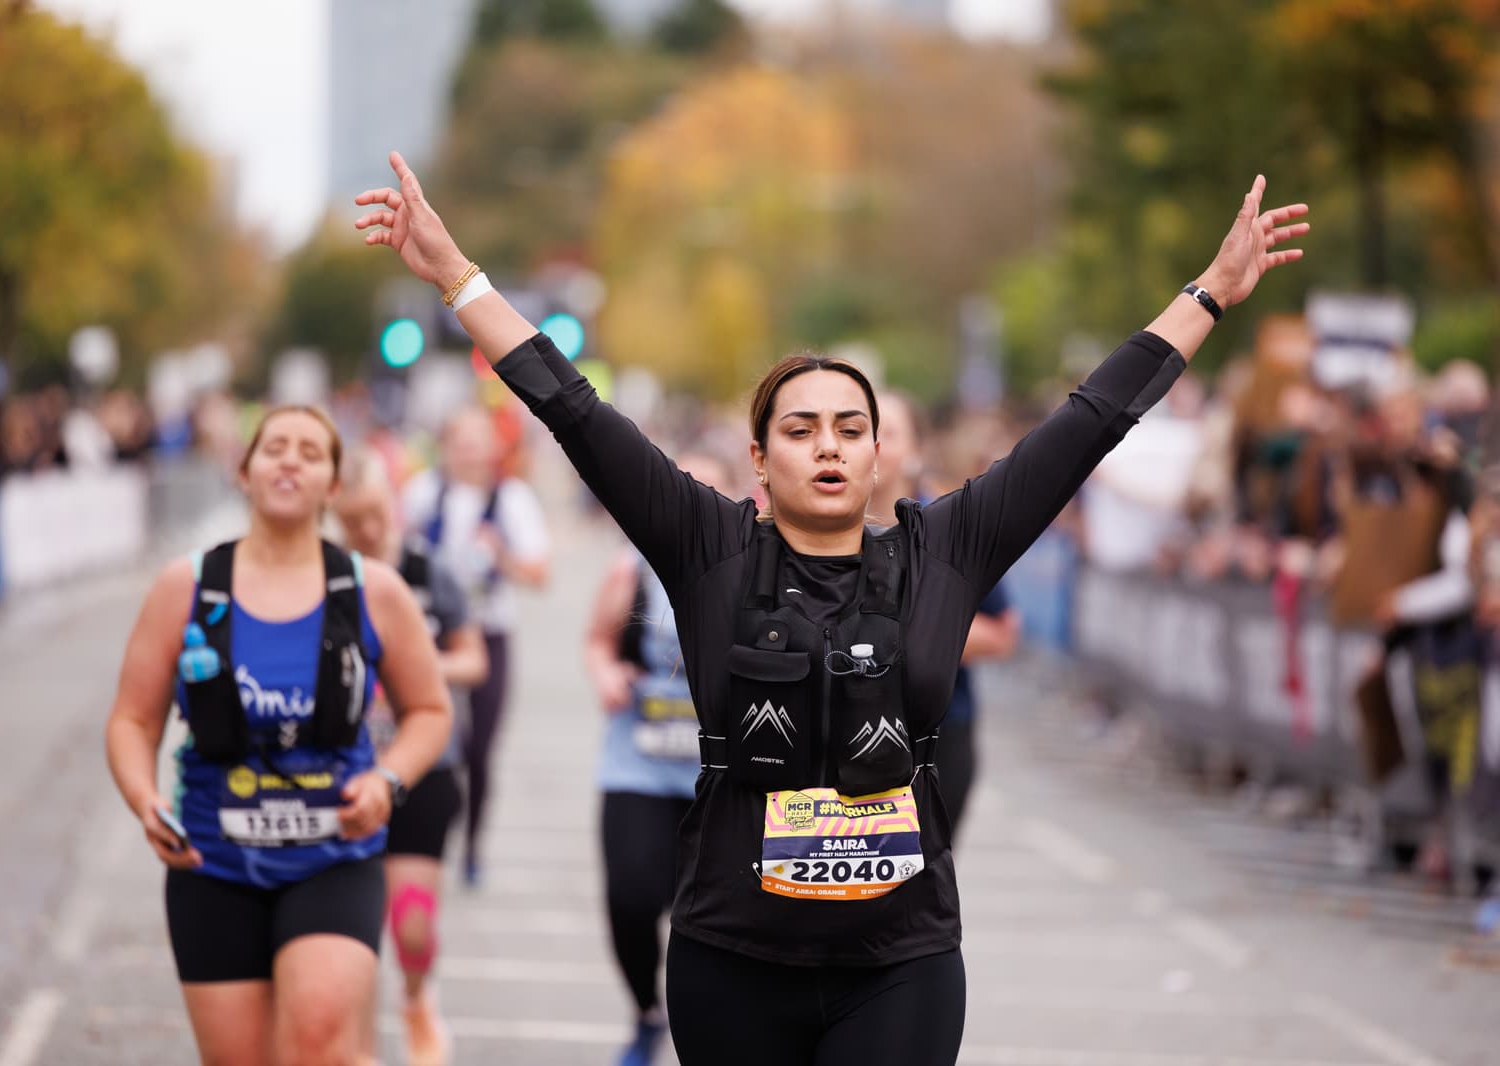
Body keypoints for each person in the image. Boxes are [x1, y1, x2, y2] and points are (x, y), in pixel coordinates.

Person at [357, 150, 1306, 1065]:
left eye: (852, 429)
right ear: (761, 460)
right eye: (801, 429)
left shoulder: (949, 550)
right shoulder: (708, 548)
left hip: (901, 961)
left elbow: (1090, 422)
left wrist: (1208, 296)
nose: (829, 446)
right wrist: (453, 274)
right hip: (732, 955)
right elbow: (573, 409)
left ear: (879, 454)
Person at [104, 405, 453, 1066]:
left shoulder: (371, 590)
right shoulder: (188, 588)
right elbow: (133, 720)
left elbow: (431, 711)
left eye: (310, 452)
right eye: (274, 449)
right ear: (243, 472)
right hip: (213, 861)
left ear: (333, 486)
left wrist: (387, 779)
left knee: (316, 1041)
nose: (290, 460)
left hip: (333, 857)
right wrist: (144, 799)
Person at [333, 448, 488, 1066]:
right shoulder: (327, 576)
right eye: (352, 521)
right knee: (352, 934)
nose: (367, 531)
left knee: (412, 926)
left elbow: (473, 658)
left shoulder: (430, 570)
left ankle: (418, 998)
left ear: (392, 504)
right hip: (346, 771)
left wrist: (413, 674)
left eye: (375, 515)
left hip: (427, 765)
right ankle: (359, 1046)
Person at [584, 448, 734, 1066]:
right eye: (684, 484)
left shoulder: (747, 566)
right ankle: (648, 1009)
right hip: (639, 758)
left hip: (722, 775)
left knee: (712, 919)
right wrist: (606, 674)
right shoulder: (634, 568)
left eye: (707, 487)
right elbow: (597, 641)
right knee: (630, 897)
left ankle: (708, 1029)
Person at [401, 404, 551, 886]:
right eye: (459, 440)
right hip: (431, 632)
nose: (467, 450)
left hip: (489, 630)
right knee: (427, 736)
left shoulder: (513, 499)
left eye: (477, 440)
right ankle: (424, 836)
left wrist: (501, 554)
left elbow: (539, 573)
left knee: (479, 748)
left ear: (494, 448)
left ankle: (472, 845)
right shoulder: (423, 493)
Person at [872, 392, 1020, 839]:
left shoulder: (950, 529)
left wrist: (910, 630)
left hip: (937, 736)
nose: (872, 444)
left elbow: (1003, 634)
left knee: (920, 884)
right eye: (857, 430)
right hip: (837, 736)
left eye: (888, 433)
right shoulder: (812, 525)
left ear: (916, 450)